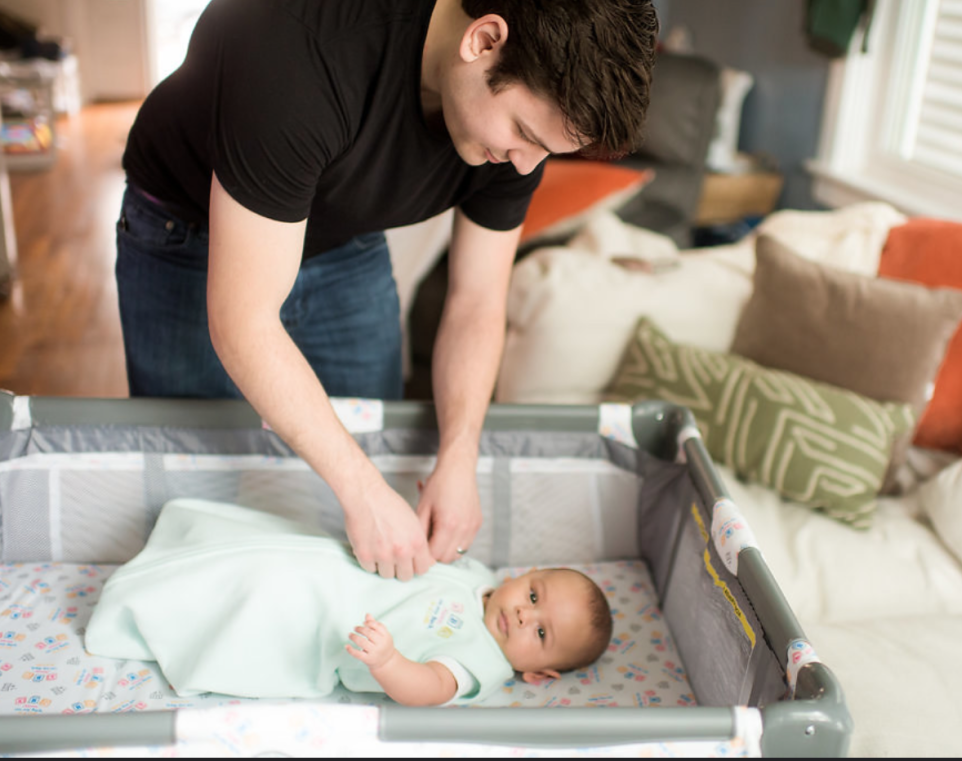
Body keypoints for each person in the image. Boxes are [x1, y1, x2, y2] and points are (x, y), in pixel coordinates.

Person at [114, 0, 658, 580]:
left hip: (347, 233)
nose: (524, 168)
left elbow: (475, 300)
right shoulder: (299, 48)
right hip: (188, 235)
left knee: (367, 468)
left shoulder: (518, 143)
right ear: (483, 41)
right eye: (523, 133)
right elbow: (244, 321)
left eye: (546, 150)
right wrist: (362, 491)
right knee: (201, 491)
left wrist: (459, 455)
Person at [84, 498, 613, 706]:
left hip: (322, 620)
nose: (524, 614)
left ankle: (139, 612)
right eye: (534, 595)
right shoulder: (481, 579)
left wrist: (389, 662)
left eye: (540, 633)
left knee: (251, 592)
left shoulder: (484, 663)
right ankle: (174, 554)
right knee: (246, 547)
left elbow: (429, 688)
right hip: (328, 562)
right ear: (526, 575)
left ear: (539, 675)